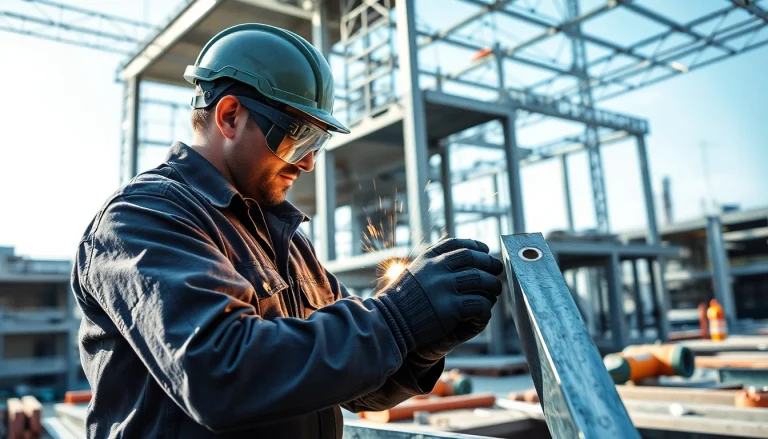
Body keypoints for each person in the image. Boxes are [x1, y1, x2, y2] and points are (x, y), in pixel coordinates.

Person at [71, 23, 504, 438]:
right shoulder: (144, 218)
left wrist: (422, 343)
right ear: (230, 115)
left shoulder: (289, 243)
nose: (308, 162)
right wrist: (395, 319)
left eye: (317, 142)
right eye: (297, 137)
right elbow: (220, 373)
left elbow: (356, 384)